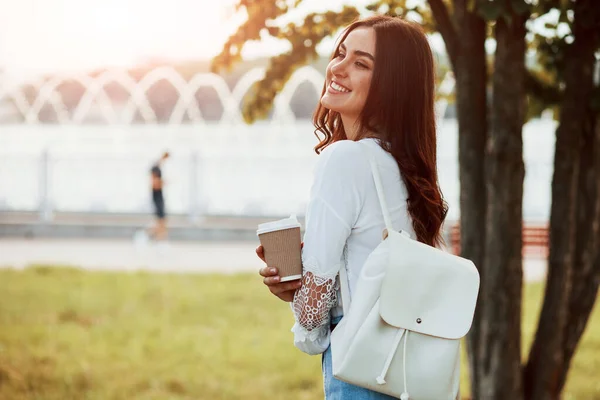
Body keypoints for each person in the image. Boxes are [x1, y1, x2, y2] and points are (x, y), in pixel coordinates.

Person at [256, 15, 448, 399]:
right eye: (341, 53)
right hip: (412, 370)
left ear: (392, 85)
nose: (337, 67)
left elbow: (312, 322)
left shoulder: (344, 159)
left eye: (361, 63)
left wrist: (299, 296)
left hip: (361, 371)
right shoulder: (410, 169)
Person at [149, 151, 170, 241]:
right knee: (161, 219)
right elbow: (154, 184)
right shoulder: (155, 169)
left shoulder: (158, 166)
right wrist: (163, 182)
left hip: (159, 195)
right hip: (156, 196)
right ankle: (156, 236)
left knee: (162, 219)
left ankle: (160, 237)